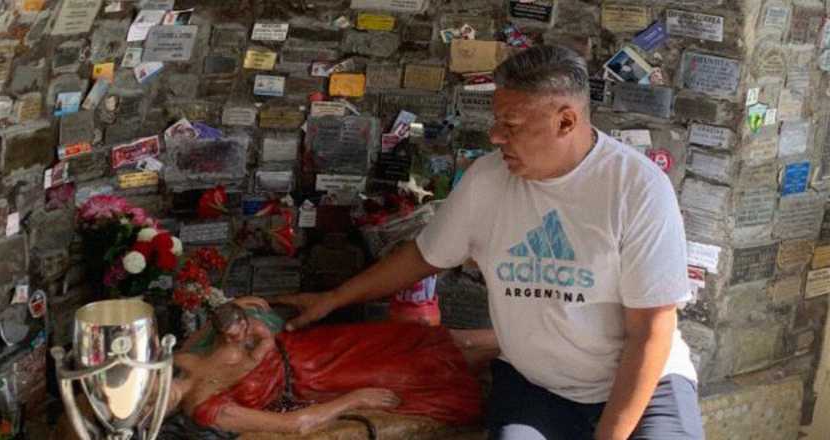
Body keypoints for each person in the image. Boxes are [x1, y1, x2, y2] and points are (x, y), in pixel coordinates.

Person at [275, 45, 704, 440]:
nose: (496, 137)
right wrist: (333, 299)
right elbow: (425, 256)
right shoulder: (487, 179)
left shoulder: (636, 188)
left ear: (566, 121)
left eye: (510, 125)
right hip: (537, 386)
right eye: (497, 121)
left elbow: (652, 332)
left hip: (644, 385)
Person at [165, 298, 485, 435]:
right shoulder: (209, 410)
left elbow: (213, 326)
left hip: (307, 346)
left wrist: (238, 305)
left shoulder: (182, 359)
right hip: (314, 380)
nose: (158, 391)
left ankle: (516, 344)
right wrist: (355, 399)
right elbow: (296, 424)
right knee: (414, 370)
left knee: (407, 338)